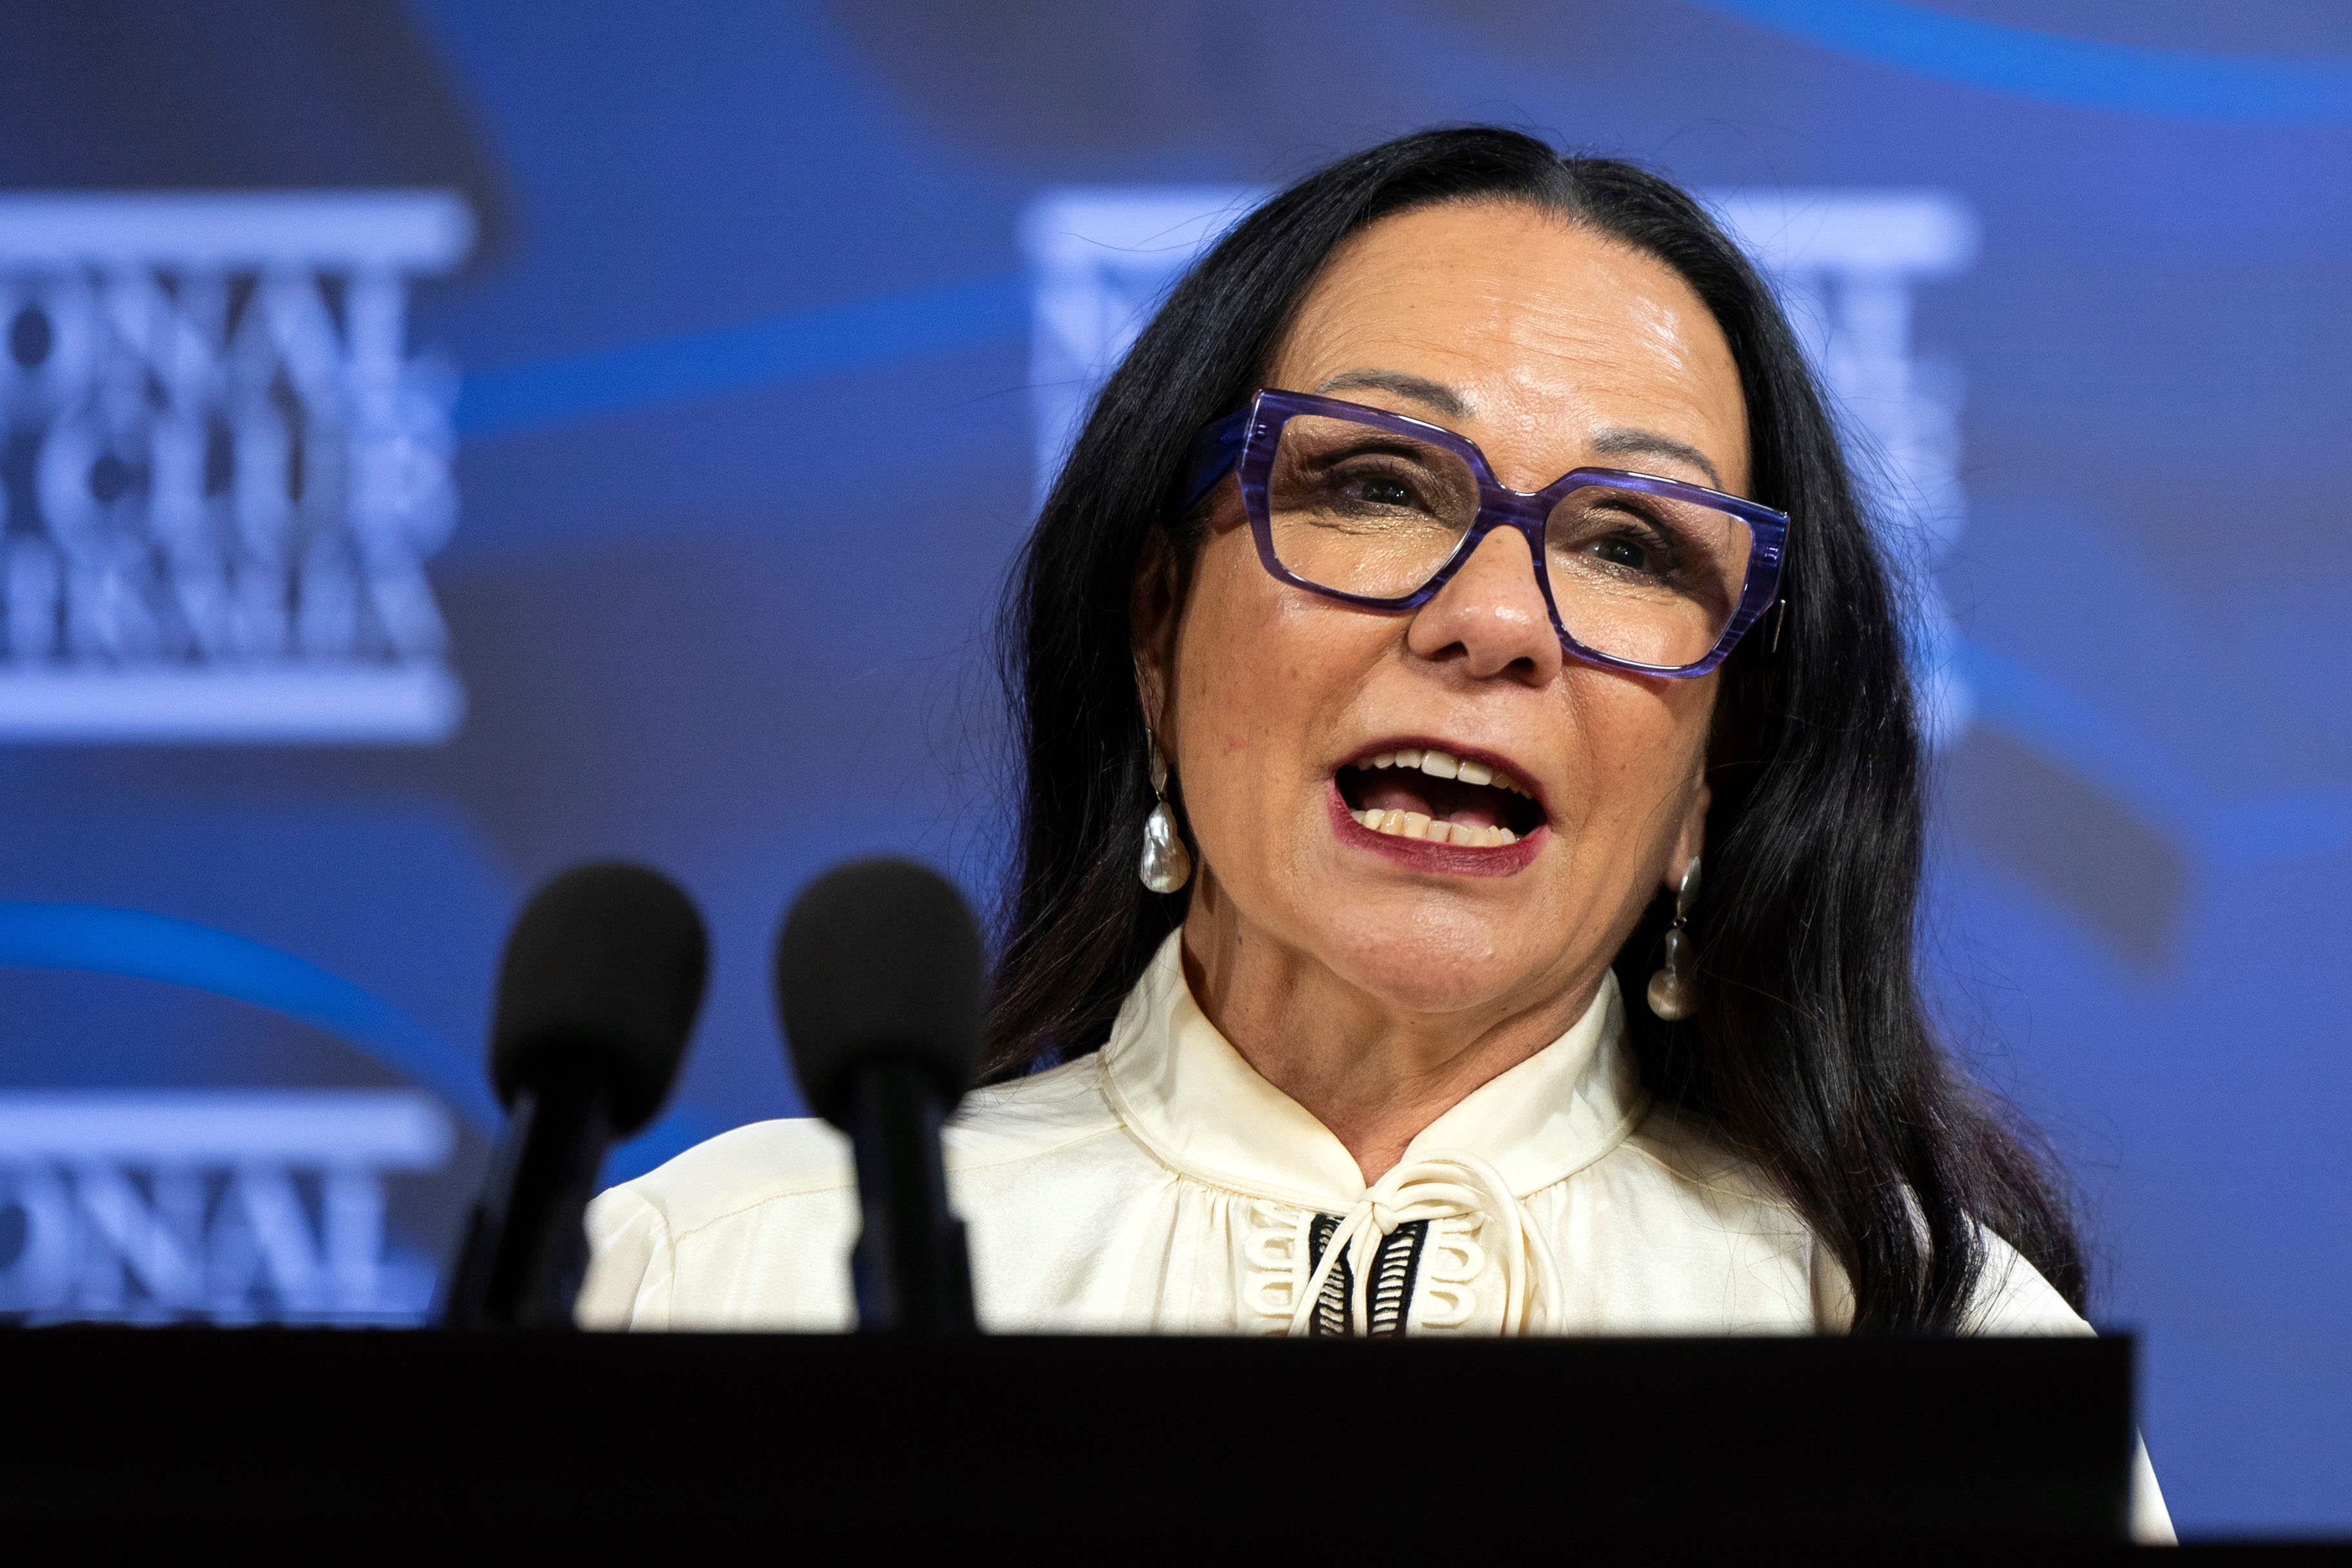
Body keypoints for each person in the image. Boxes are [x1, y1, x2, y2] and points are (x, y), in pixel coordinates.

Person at [578, 127, 2168, 1540]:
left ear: (1710, 772)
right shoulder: (728, 1279)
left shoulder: (1923, 1353)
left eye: (1627, 541)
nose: (1491, 618)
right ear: (1155, 628)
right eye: (1377, 485)